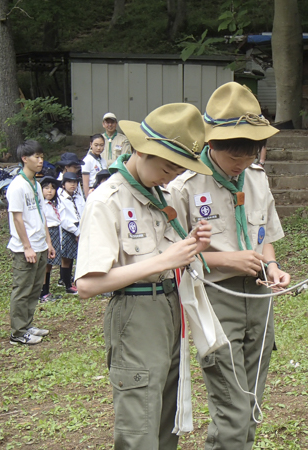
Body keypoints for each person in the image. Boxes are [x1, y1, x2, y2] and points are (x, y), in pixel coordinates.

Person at [75, 103, 213, 450]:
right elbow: (88, 285)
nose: (171, 176)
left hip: (171, 308)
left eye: (179, 168)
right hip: (136, 312)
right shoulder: (107, 199)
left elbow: (169, 256)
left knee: (168, 420)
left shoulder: (162, 194)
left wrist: (191, 244)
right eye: (167, 166)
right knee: (140, 425)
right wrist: (162, 261)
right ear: (140, 149)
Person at [167, 81, 290, 450]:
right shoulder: (184, 187)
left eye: (250, 156)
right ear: (210, 145)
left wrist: (271, 266)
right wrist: (224, 259)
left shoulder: (256, 177)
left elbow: (263, 232)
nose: (242, 165)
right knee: (231, 404)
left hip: (258, 297)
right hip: (214, 298)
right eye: (235, 158)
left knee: (251, 400)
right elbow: (169, 256)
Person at [6, 140, 56, 345]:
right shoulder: (17, 186)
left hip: (40, 244)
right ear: (24, 159)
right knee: (23, 289)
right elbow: (17, 218)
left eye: (42, 157)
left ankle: (27, 324)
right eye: (36, 157)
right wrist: (27, 246)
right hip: (24, 248)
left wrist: (48, 242)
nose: (40, 161)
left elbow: (41, 215)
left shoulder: (35, 184)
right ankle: (17, 333)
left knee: (35, 288)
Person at [59, 172, 85, 294]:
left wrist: (81, 230)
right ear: (64, 184)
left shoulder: (79, 197)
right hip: (68, 229)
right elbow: (63, 219)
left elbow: (84, 212)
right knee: (67, 258)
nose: (73, 185)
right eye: (69, 182)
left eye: (75, 182)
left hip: (81, 228)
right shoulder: (60, 198)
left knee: (80, 257)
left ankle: (78, 281)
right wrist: (76, 232)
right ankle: (67, 284)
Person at [39, 176, 63, 302]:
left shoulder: (54, 204)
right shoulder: (41, 205)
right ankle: (42, 292)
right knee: (44, 264)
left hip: (55, 232)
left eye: (52, 188)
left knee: (49, 265)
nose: (49, 191)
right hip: (47, 233)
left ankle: (46, 290)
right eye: (46, 188)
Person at [82, 134, 107, 198]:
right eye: (96, 145)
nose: (99, 148)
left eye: (101, 145)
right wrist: (88, 198)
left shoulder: (103, 161)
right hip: (92, 191)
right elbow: (85, 183)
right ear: (91, 144)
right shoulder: (87, 160)